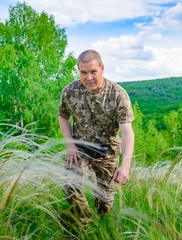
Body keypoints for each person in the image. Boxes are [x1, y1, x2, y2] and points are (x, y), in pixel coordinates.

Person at [58, 49, 134, 229]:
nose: (89, 77)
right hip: (80, 147)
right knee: (70, 185)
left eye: (93, 72)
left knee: (104, 201)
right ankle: (86, 225)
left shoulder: (118, 94)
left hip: (107, 150)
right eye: (84, 72)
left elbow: (127, 132)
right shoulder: (70, 91)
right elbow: (63, 116)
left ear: (102, 69)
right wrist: (70, 145)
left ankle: (101, 227)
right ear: (79, 71)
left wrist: (125, 165)